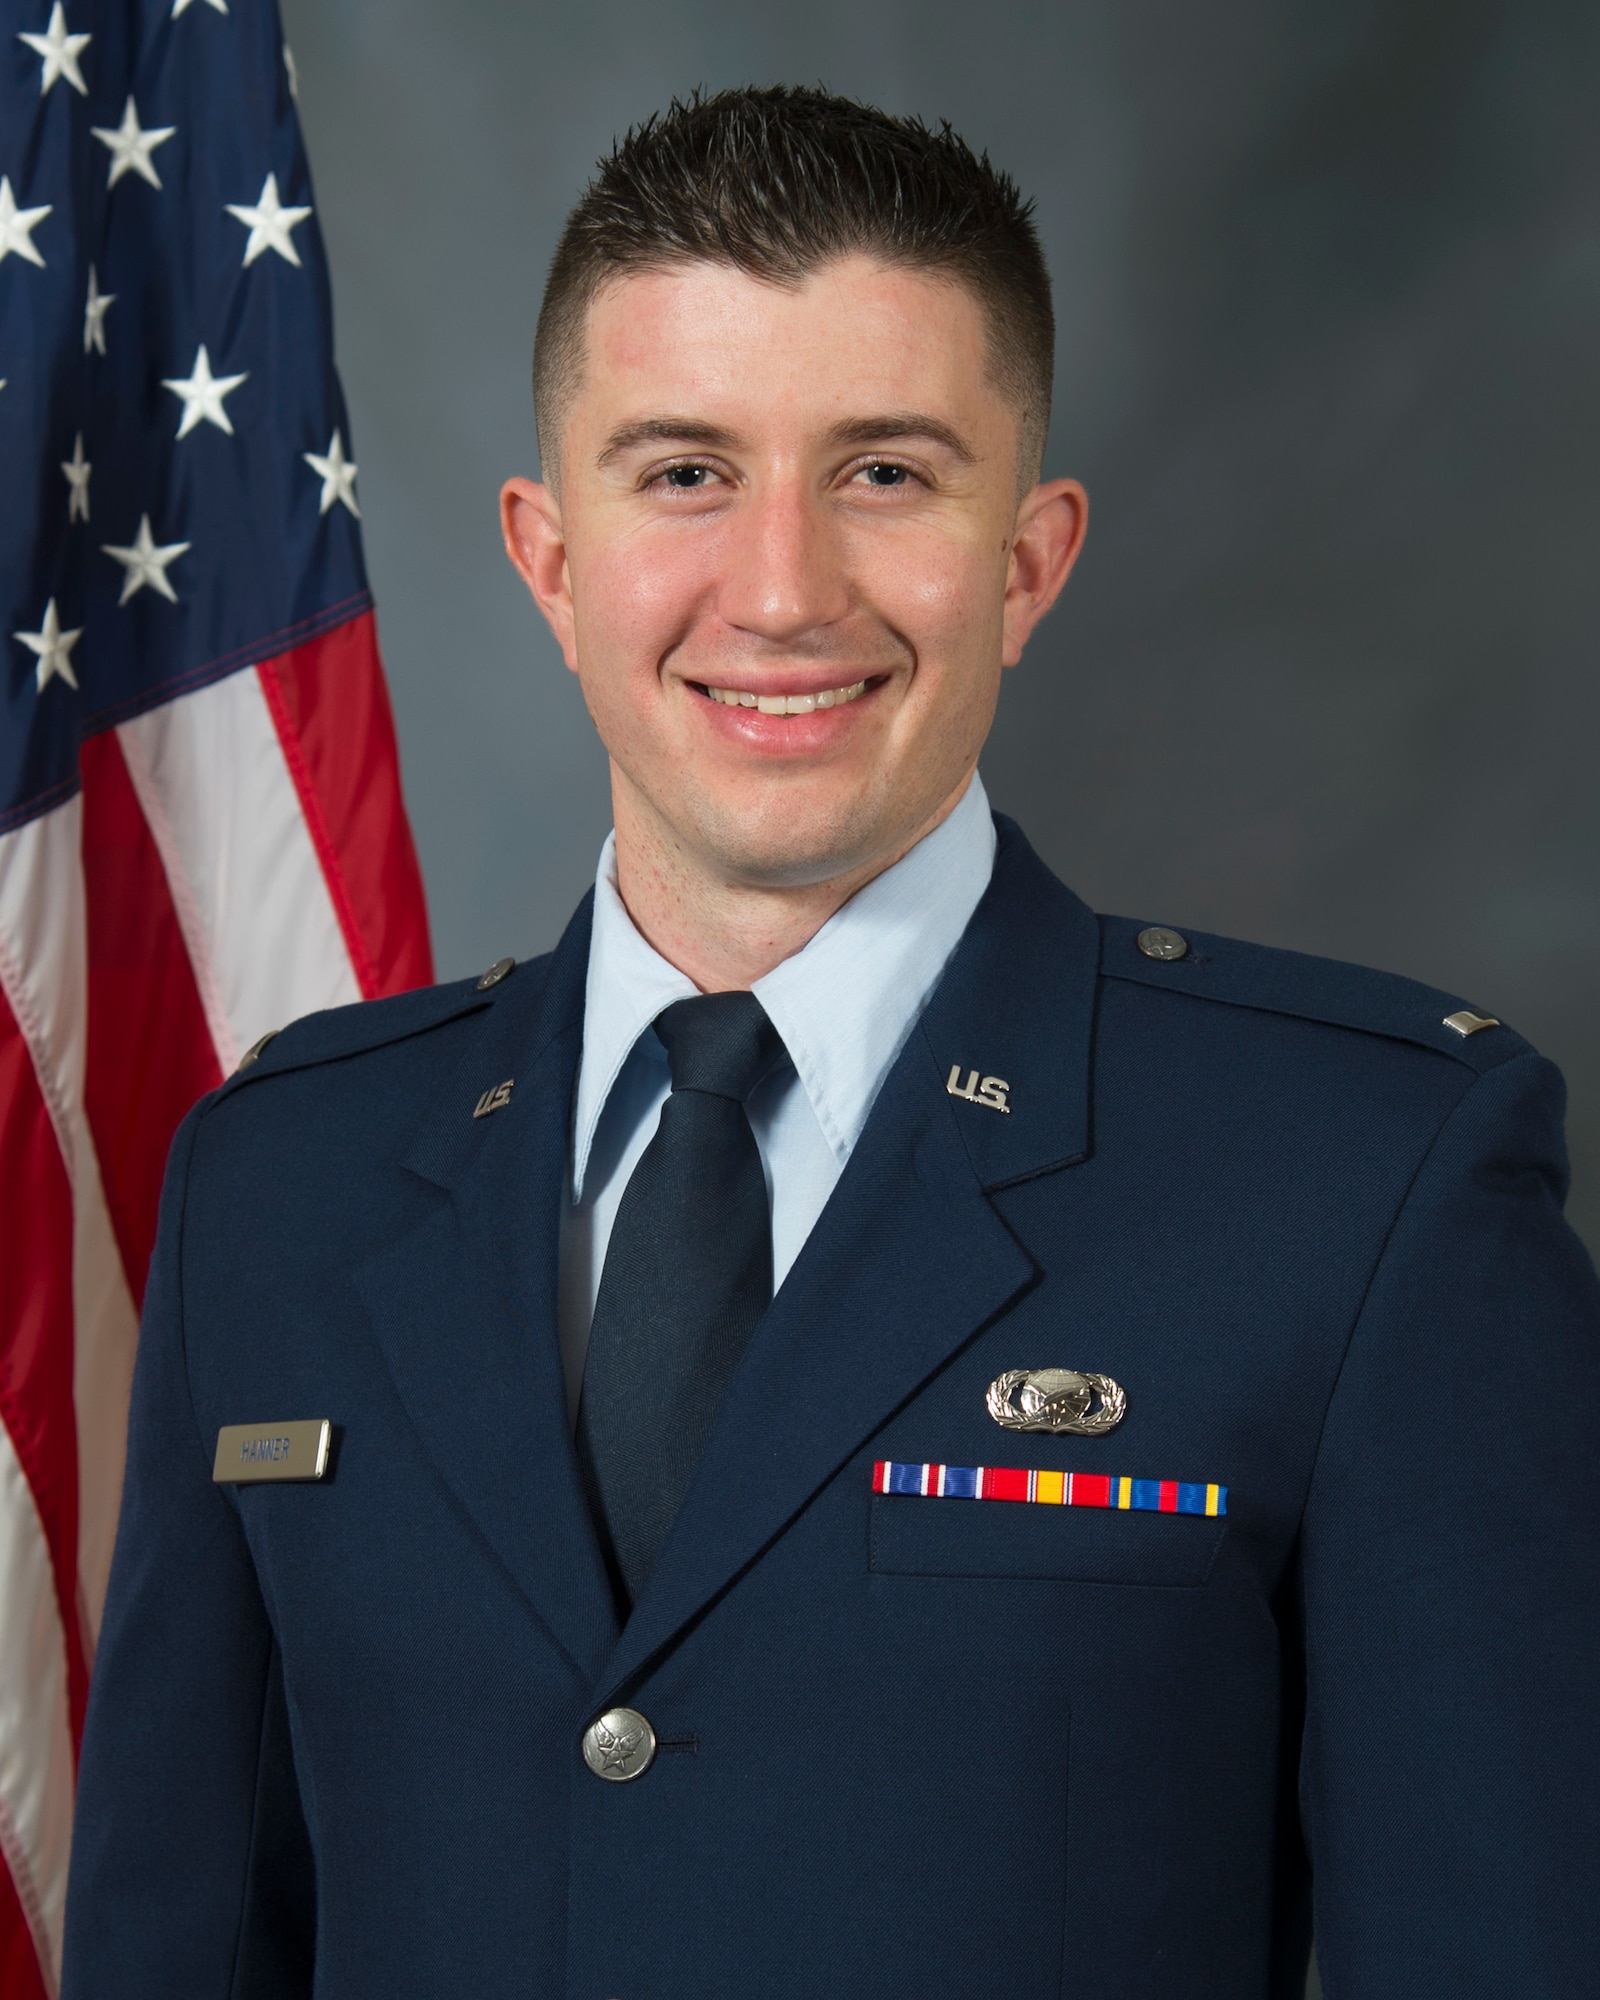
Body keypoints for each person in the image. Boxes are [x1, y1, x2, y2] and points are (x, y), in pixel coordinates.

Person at [63, 85, 1599, 2000]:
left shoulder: (1366, 1183)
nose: (782, 590)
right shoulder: (279, 1180)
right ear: (549, 560)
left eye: (884, 471)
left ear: (1029, 561)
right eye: (686, 471)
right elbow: (174, 1953)